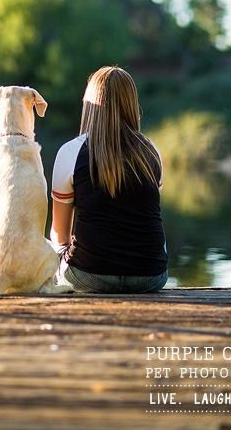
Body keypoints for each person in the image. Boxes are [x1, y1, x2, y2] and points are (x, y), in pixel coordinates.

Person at [50, 66, 168, 294]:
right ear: (131, 103)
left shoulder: (71, 152)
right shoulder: (151, 151)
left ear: (89, 105)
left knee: (50, 247)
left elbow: (60, 236)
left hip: (88, 276)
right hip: (151, 277)